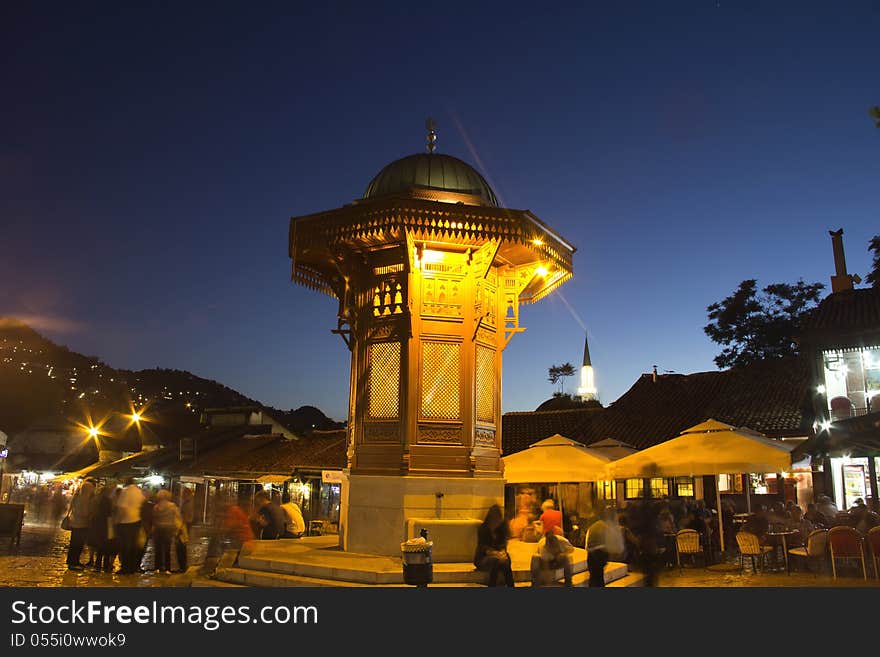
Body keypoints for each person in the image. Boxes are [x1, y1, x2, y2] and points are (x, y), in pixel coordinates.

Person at [473, 504, 514, 587]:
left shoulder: (501, 529)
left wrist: (502, 553)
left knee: (506, 561)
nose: (497, 523)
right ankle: (492, 585)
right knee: (495, 562)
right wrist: (494, 553)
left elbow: (503, 544)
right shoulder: (483, 529)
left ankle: (511, 585)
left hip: (498, 555)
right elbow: (482, 547)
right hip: (483, 557)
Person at [114, 478, 145, 574]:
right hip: (136, 521)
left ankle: (125, 567)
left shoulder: (125, 492)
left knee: (124, 546)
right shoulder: (139, 492)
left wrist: (117, 521)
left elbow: (122, 508)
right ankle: (133, 566)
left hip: (125, 522)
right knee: (133, 546)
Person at [65, 480, 95, 571]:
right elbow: (84, 513)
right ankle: (74, 562)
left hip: (75, 523)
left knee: (74, 544)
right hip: (81, 524)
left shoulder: (77, 496)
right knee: (78, 545)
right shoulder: (84, 499)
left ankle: (72, 561)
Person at [152, 489, 182, 574]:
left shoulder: (156, 507)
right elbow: (178, 517)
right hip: (169, 529)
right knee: (167, 549)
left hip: (158, 529)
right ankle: (167, 568)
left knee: (158, 549)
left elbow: (154, 519)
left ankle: (157, 567)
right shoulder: (172, 506)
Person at [586, 506, 617, 587]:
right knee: (599, 577)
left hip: (591, 554)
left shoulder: (592, 527)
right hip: (600, 553)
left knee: (593, 577)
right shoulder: (606, 527)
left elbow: (586, 544)